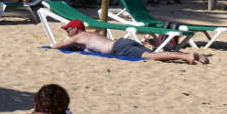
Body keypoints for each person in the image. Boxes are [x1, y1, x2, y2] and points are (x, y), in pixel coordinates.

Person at [54, 19, 209, 64]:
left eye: (68, 29)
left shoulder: (77, 36)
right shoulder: (89, 34)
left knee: (152, 56)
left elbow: (56, 46)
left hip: (120, 48)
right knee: (155, 54)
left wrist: (69, 41)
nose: (67, 31)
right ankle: (185, 55)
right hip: (122, 43)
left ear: (75, 29)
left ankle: (187, 56)